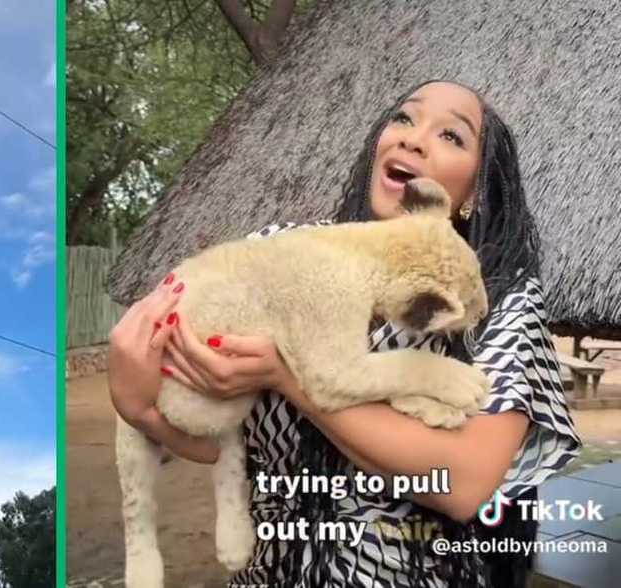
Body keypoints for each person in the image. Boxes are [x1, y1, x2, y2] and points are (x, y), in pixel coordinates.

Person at [108, 80, 581, 587]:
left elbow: (462, 484)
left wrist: (292, 376)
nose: (412, 139)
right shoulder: (280, 251)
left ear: (472, 193)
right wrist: (140, 408)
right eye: (403, 118)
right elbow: (231, 444)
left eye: (451, 135)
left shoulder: (498, 303)